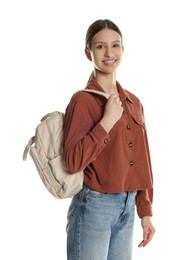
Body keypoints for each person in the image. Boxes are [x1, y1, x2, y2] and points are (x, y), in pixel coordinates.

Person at [63, 19, 155, 260]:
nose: (109, 53)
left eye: (115, 45)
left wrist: (145, 211)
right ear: (88, 53)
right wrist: (106, 122)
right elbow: (73, 161)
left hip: (127, 205)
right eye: (100, 46)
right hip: (94, 206)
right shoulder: (82, 101)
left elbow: (141, 159)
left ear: (123, 50)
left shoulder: (133, 101)